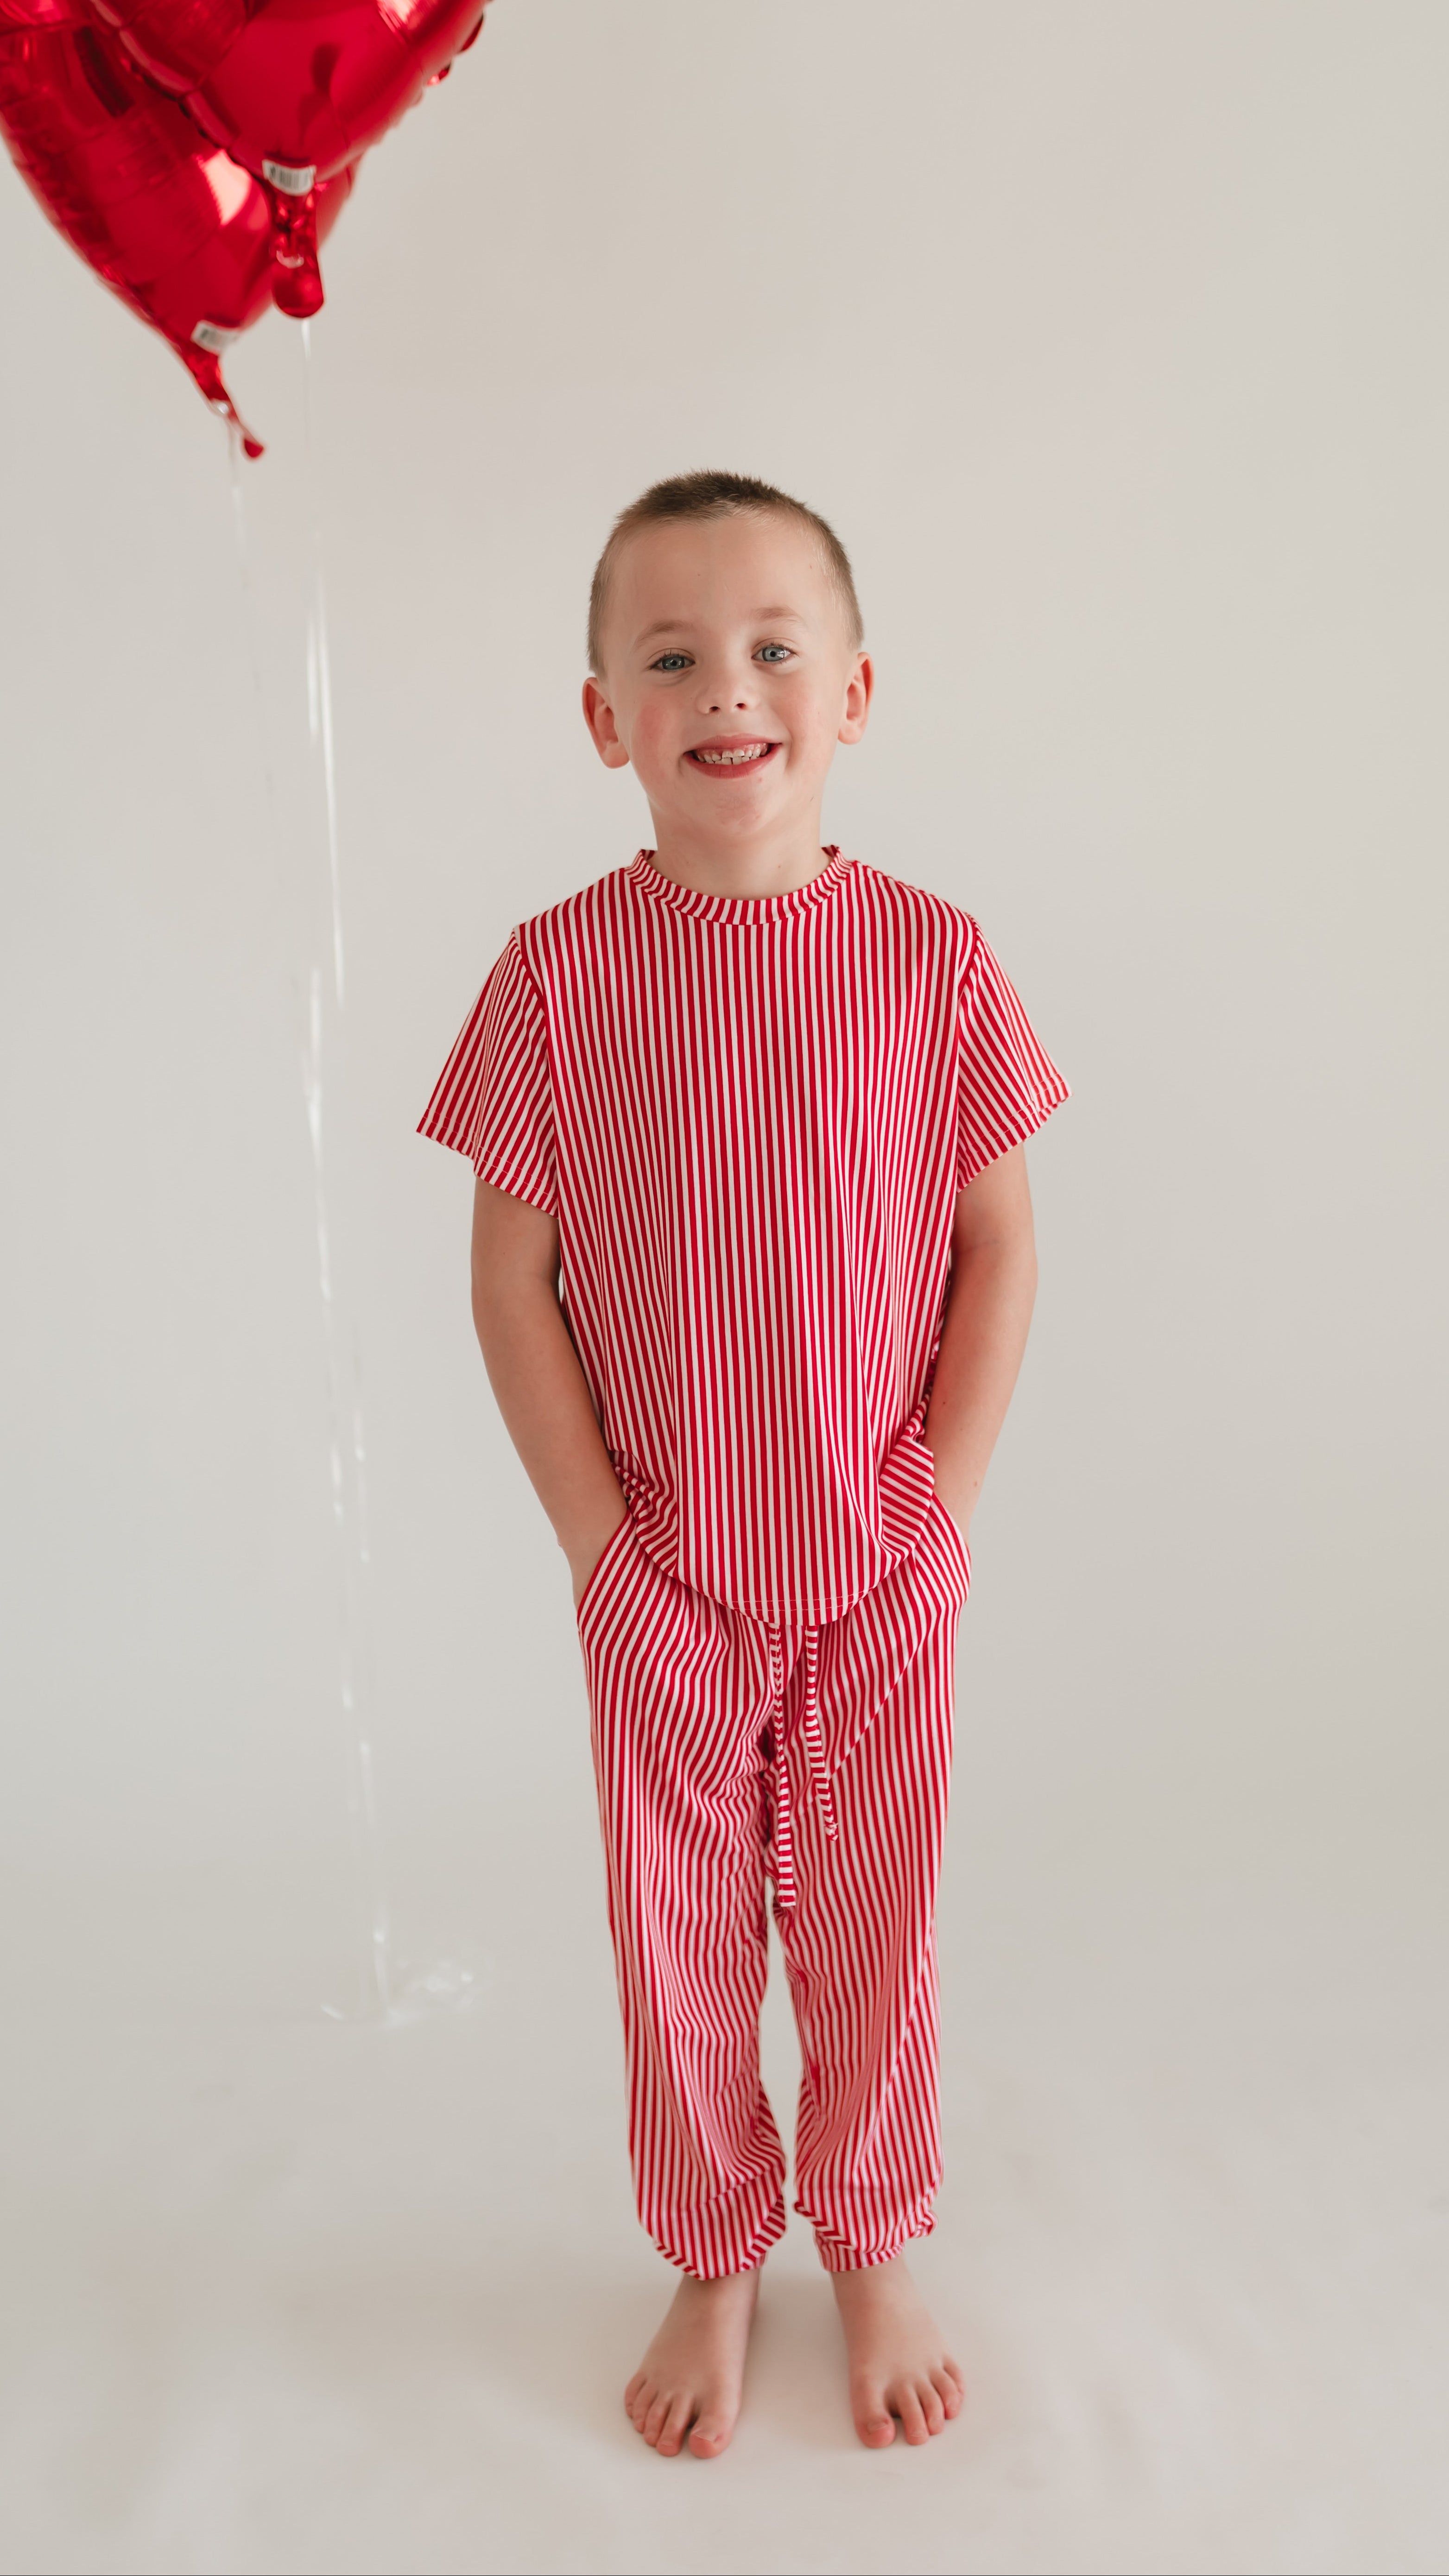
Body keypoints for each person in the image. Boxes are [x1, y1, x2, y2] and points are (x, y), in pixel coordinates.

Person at [419, 470, 1067, 2459]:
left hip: (876, 1559)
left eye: (775, 647)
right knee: (678, 1933)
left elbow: (1000, 1244)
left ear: (852, 692)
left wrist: (942, 1512)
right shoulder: (554, 978)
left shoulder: (933, 962)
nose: (728, 687)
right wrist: (599, 1548)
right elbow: (510, 1281)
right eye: (673, 653)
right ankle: (711, 2250)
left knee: (874, 1925)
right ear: (603, 714)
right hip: (668, 1575)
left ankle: (870, 2236)